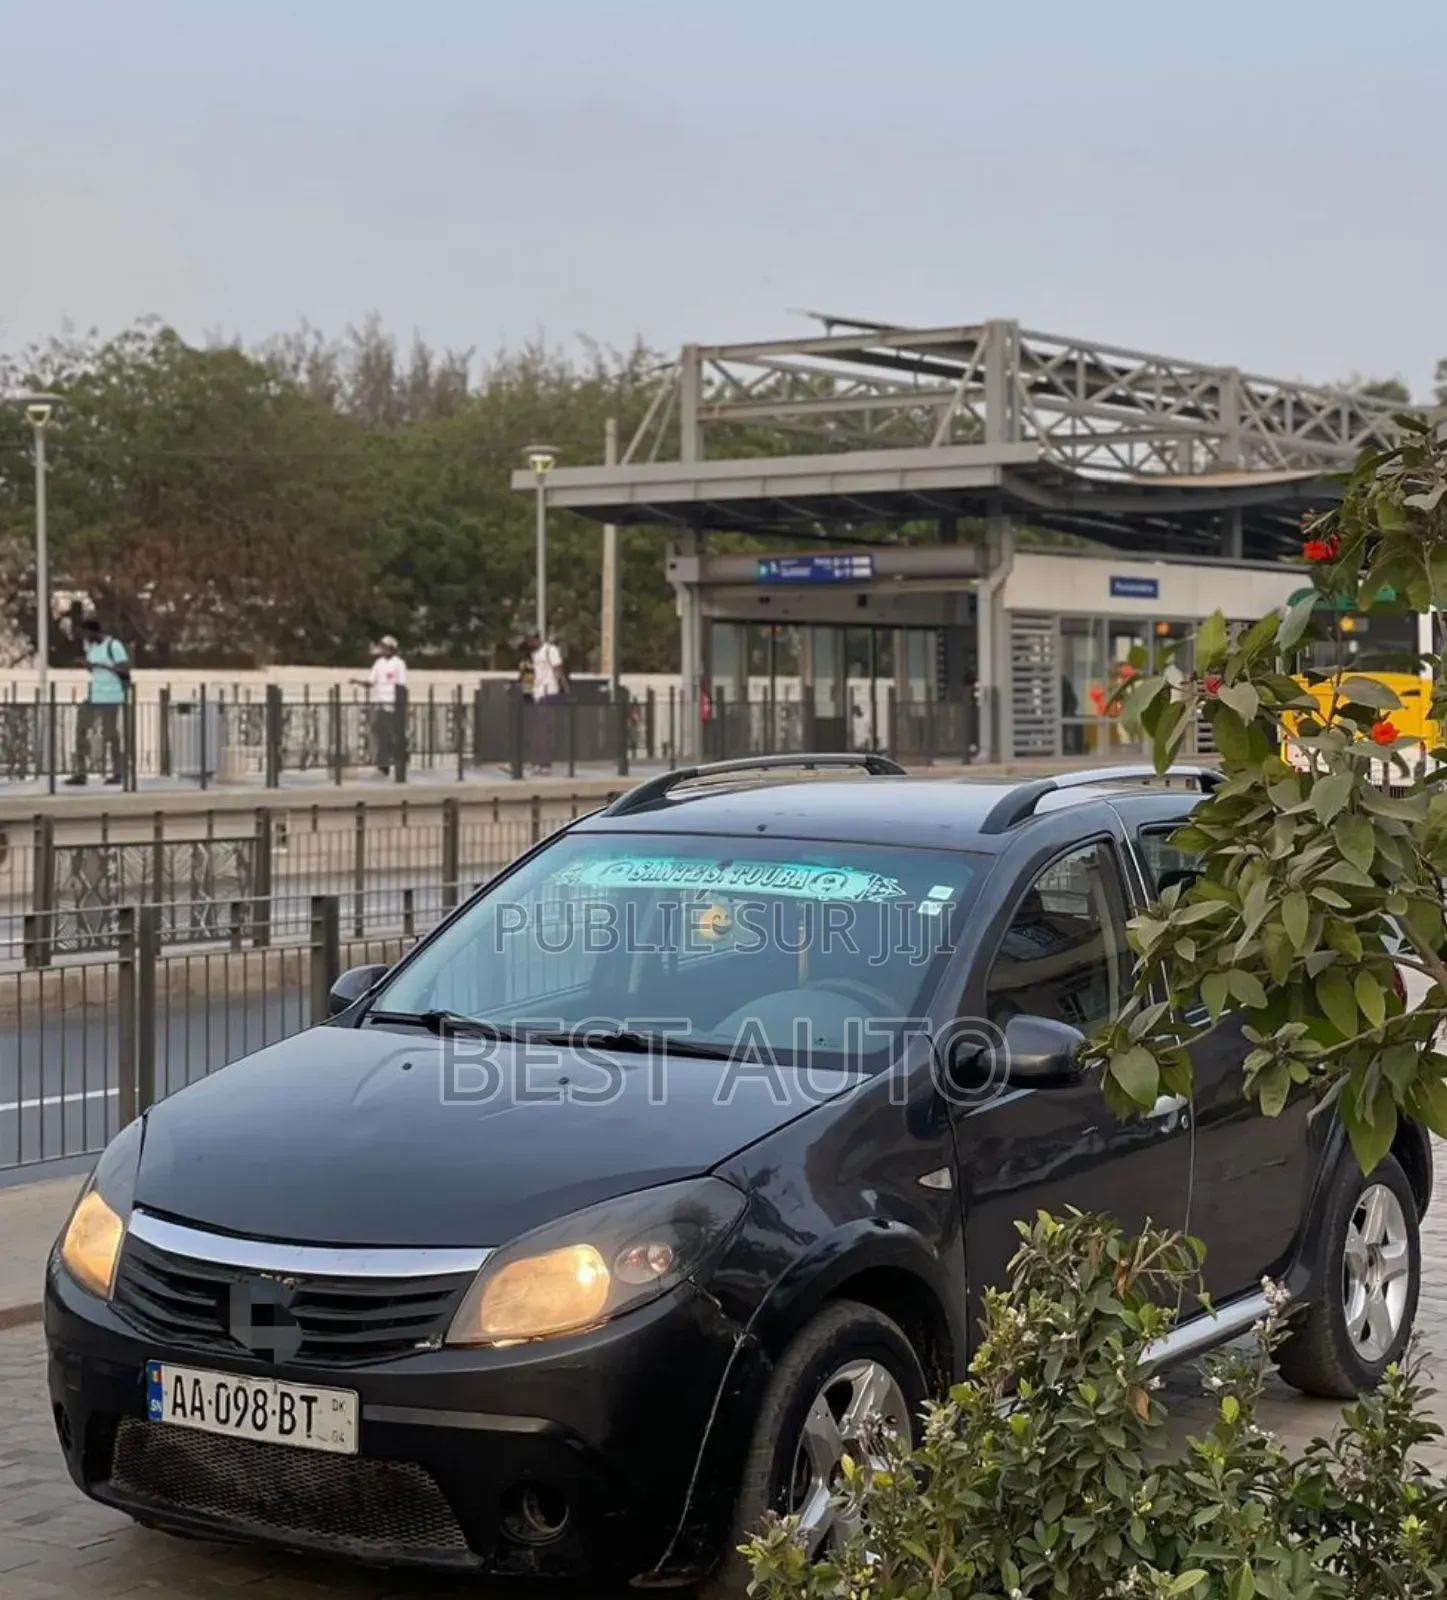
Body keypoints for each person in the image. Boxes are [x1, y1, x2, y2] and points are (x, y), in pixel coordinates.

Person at [67, 619, 130, 786]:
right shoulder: (91, 648)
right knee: (81, 731)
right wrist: (87, 665)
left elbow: (124, 668)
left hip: (111, 696)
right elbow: (94, 670)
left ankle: (118, 772)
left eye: (87, 634)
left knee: (110, 735)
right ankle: (80, 772)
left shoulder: (114, 646)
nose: (85, 638)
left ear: (94, 632)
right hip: (94, 695)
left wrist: (101, 665)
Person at [353, 636, 407, 776]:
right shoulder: (378, 663)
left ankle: (399, 760)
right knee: (378, 733)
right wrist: (357, 682)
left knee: (393, 735)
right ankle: (383, 763)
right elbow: (371, 681)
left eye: (386, 647)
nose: (383, 650)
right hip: (379, 702)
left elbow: (401, 684)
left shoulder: (399, 664)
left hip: (392, 703)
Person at [524, 631, 566, 773]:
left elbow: (558, 668)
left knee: (544, 729)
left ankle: (544, 763)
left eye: (530, 640)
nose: (529, 643)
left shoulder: (550, 650)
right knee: (538, 730)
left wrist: (561, 686)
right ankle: (538, 760)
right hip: (538, 693)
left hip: (549, 692)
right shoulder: (534, 655)